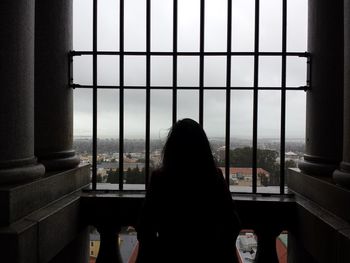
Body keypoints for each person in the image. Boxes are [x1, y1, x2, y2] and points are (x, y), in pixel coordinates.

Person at [136, 118, 241, 263]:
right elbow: (232, 223)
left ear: (171, 148)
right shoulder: (214, 177)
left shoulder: (160, 179)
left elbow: (145, 228)